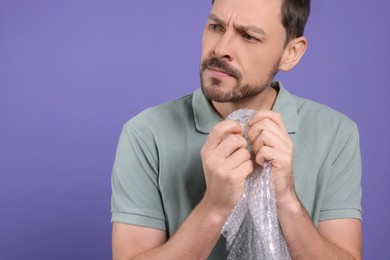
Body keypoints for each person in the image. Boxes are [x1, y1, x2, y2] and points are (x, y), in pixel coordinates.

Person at [111, 0, 362, 259]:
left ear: (291, 53)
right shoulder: (145, 134)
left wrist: (286, 199)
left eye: (249, 36)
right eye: (216, 26)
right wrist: (214, 207)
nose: (220, 49)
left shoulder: (335, 134)